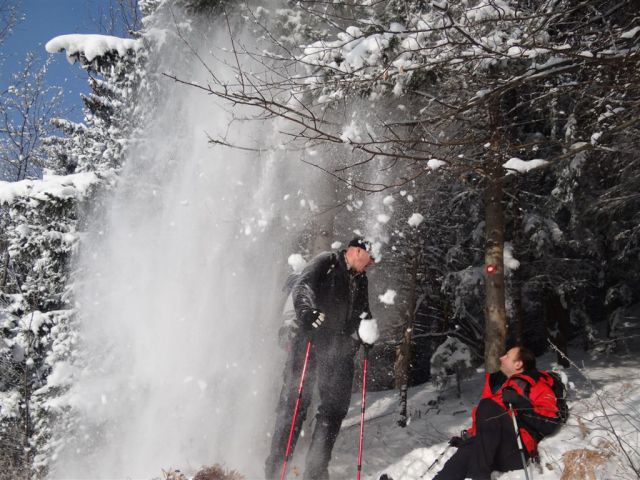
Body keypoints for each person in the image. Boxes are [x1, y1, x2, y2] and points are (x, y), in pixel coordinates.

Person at [265, 237, 375, 480]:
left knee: (334, 409)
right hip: (310, 341)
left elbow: (363, 313)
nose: (372, 263)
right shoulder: (327, 261)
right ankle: (275, 469)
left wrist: (366, 332)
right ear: (356, 251)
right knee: (295, 403)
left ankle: (315, 471)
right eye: (370, 257)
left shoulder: (361, 279)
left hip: (338, 350)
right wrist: (306, 312)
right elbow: (303, 286)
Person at [433, 346, 560, 480]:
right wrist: (468, 437)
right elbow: (489, 424)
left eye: (507, 356)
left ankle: (480, 477)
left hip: (517, 450)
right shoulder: (502, 386)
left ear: (518, 364)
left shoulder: (537, 384)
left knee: (487, 406)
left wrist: (521, 404)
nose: (501, 358)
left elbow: (549, 423)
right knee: (467, 450)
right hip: (495, 450)